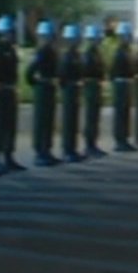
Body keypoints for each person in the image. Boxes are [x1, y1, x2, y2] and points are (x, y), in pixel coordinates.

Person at [0, 15, 25, 173]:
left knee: (10, 125)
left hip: (10, 89)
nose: (13, 34)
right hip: (1, 90)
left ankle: (8, 155)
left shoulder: (11, 49)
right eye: (10, 31)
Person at [26, 19, 61, 166]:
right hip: (43, 88)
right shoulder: (41, 51)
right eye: (48, 36)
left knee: (48, 120)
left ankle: (46, 149)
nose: (50, 38)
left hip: (49, 87)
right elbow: (30, 72)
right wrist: (37, 84)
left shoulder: (52, 51)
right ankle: (40, 152)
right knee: (41, 120)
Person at [109, 20, 138, 153]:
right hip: (121, 84)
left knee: (124, 112)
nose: (130, 38)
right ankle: (120, 140)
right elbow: (114, 71)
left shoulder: (126, 51)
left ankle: (124, 139)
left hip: (125, 83)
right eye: (128, 36)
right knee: (120, 113)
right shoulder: (120, 52)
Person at [57, 24, 84, 163]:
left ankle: (72, 148)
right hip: (69, 89)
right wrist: (67, 86)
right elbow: (62, 75)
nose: (78, 41)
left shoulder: (77, 55)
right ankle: (67, 149)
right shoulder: (66, 56)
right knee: (68, 120)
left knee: (74, 120)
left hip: (75, 89)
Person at [80, 23, 107, 158]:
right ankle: (89, 145)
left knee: (95, 117)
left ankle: (93, 144)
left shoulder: (96, 53)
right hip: (91, 86)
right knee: (91, 116)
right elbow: (85, 72)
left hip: (96, 86)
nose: (100, 40)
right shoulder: (88, 54)